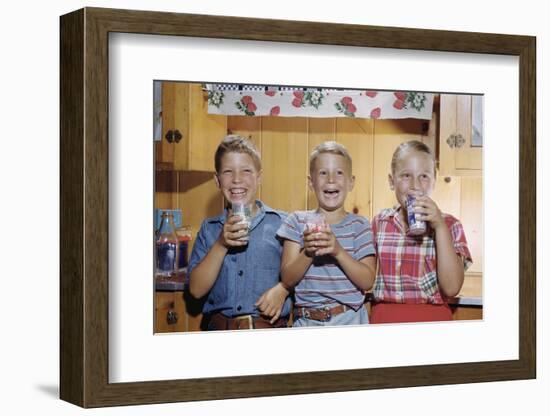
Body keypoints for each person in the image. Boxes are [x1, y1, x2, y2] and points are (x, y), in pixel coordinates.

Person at [187, 135, 291, 330]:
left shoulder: (283, 224)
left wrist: (284, 289)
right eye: (228, 172)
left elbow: (302, 274)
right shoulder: (209, 229)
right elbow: (196, 290)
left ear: (259, 177)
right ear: (217, 180)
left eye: (246, 171)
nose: (237, 179)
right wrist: (220, 244)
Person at [370, 140, 473, 324]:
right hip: (385, 317)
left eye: (424, 176)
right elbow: (366, 277)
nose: (415, 185)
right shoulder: (380, 222)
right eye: (406, 175)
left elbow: (451, 288)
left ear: (434, 181)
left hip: (432, 318)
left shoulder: (451, 225)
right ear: (391, 181)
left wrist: (439, 226)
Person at [276, 141, 376, 327]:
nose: (331, 179)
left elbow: (367, 280)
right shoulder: (296, 221)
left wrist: (338, 251)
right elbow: (288, 279)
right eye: (323, 173)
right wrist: (308, 252)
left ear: (350, 182)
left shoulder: (359, 225)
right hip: (307, 322)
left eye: (339, 172)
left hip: (350, 320)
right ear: (310, 182)